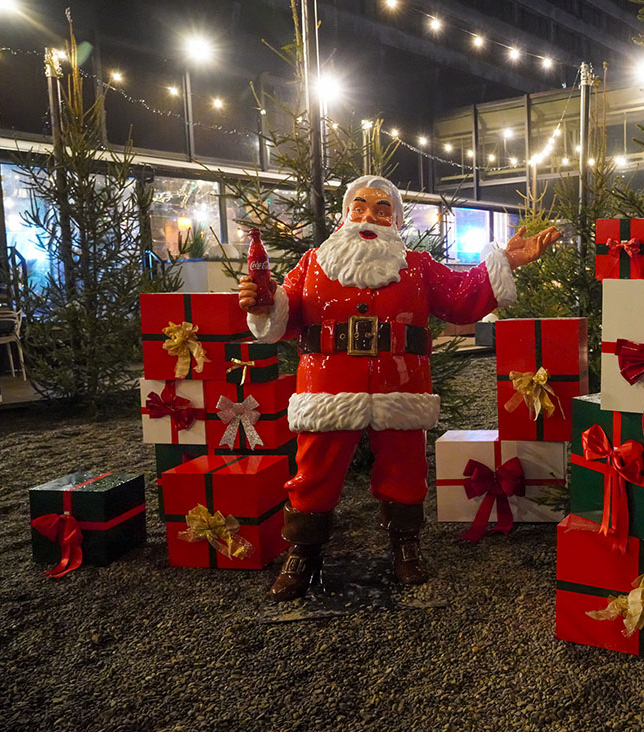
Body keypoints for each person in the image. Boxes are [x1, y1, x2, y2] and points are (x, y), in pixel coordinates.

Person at [239, 175, 559, 601]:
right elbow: (283, 317)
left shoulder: (418, 266)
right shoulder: (313, 264)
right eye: (359, 206)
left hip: (401, 385)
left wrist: (504, 261)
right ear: (346, 213)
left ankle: (405, 544)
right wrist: (265, 303)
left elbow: (461, 297)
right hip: (328, 385)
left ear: (396, 217)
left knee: (406, 468)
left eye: (381, 207)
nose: (369, 215)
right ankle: (304, 550)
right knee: (314, 469)